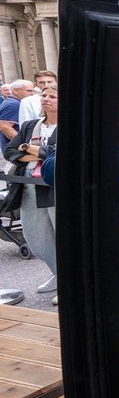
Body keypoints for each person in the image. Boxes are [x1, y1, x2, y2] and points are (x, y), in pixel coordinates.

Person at [43, 49, 119, 398]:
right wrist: (104, 139)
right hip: (111, 240)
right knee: (97, 333)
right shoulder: (88, 121)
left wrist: (102, 181)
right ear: (116, 80)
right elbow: (52, 172)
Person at [3, 84, 58, 294]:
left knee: (61, 233)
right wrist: (41, 152)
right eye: (44, 95)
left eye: (53, 96)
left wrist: (27, 149)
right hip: (29, 185)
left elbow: (59, 152)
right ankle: (57, 272)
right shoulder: (30, 126)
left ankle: (68, 281)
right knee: (35, 236)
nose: (46, 98)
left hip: (54, 184)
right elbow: (10, 151)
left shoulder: (72, 124)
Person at [0, 79, 34, 152]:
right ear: (15, 91)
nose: (31, 93)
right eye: (28, 91)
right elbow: (5, 127)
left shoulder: (13, 102)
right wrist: (24, 145)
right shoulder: (13, 104)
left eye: (32, 91)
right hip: (16, 150)